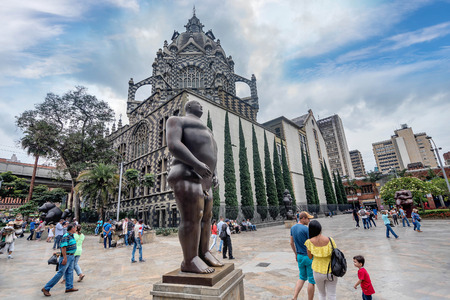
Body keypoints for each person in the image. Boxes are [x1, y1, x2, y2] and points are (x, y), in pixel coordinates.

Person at [166, 100, 223, 273]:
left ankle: (204, 252)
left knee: (206, 217)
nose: (201, 106)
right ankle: (189, 260)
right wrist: (196, 163)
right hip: (186, 172)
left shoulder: (208, 129)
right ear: (189, 107)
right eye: (198, 104)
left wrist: (216, 174)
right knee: (193, 216)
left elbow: (213, 153)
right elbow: (174, 145)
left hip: (205, 179)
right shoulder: (176, 120)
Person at [41, 223, 78, 296]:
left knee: (70, 271)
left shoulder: (71, 236)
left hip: (71, 256)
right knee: (60, 273)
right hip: (66, 256)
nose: (76, 228)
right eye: (75, 227)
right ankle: (46, 288)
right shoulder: (66, 236)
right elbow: (63, 247)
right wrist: (64, 258)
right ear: (72, 228)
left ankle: (69, 287)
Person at [305, 220, 338, 300]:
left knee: (321, 294)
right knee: (332, 294)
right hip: (331, 270)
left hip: (317, 271)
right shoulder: (330, 240)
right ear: (320, 228)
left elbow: (310, 257)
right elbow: (336, 253)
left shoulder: (309, 242)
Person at [290, 212, 315, 300]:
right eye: (308, 219)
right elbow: (311, 243)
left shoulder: (292, 228)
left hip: (300, 256)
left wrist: (296, 254)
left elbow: (291, 243)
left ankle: (295, 296)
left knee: (302, 277)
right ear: (303, 218)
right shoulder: (306, 229)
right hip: (308, 257)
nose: (309, 220)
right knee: (311, 280)